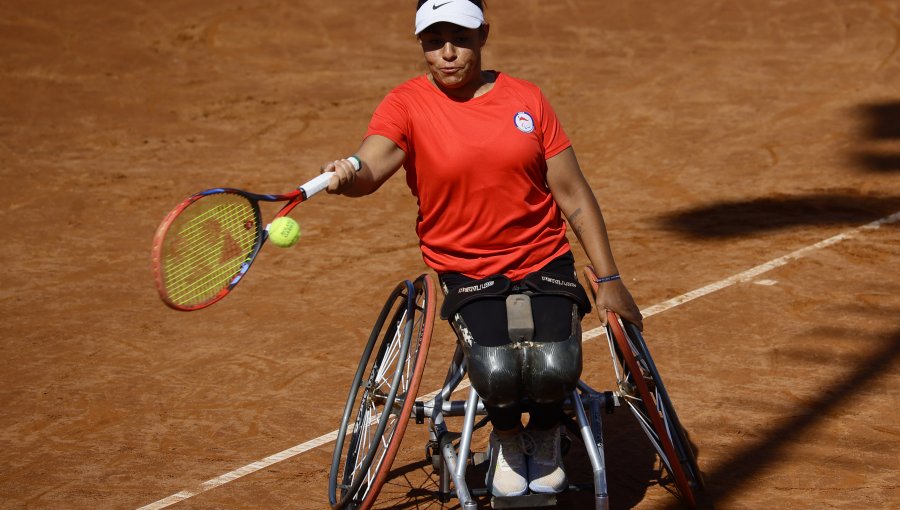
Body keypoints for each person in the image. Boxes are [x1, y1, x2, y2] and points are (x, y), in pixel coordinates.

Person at [321, 0, 643, 498]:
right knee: (496, 371)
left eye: (461, 40)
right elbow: (372, 163)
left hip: (543, 258)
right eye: (434, 42)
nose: (448, 54)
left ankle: (545, 434)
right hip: (466, 269)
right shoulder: (407, 105)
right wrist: (348, 174)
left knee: (555, 364)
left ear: (483, 35)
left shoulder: (527, 100)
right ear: (421, 45)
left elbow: (573, 191)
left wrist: (608, 280)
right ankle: (509, 439)